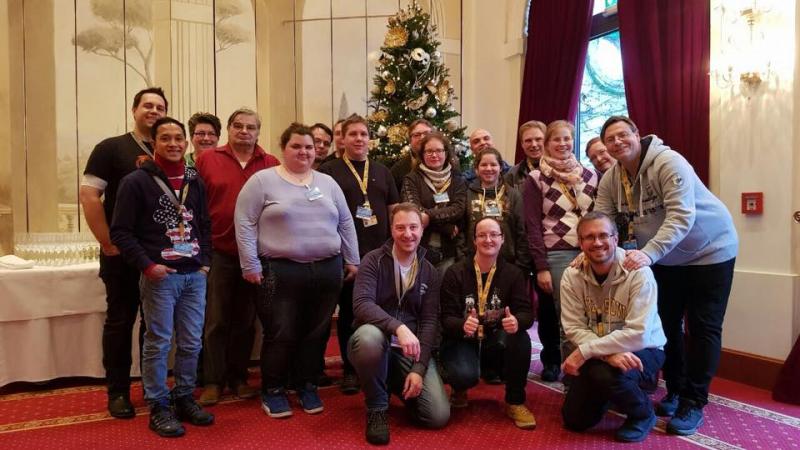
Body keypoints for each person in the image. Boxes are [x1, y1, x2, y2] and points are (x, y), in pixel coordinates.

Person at [596, 115, 738, 436]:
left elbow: (681, 215)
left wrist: (648, 254)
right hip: (666, 258)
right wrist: (595, 253)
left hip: (710, 251)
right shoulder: (611, 178)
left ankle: (693, 401)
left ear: (637, 134)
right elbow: (602, 220)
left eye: (623, 135)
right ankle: (674, 391)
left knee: (703, 327)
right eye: (610, 139)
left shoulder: (668, 162)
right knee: (666, 326)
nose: (617, 142)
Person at [235, 123, 359, 418]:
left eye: (309, 147)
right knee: (281, 332)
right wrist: (250, 263)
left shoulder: (327, 182)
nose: (304, 152)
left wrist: (352, 258)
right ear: (283, 148)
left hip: (327, 269)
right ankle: (274, 390)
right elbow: (244, 222)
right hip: (279, 270)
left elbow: (345, 222)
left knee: (316, 332)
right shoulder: (262, 181)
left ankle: (307, 385)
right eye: (296, 146)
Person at [110, 117, 214, 438]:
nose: (173, 144)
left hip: (194, 274)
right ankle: (158, 403)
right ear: (153, 143)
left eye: (178, 138)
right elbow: (121, 232)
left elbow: (204, 224)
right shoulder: (136, 182)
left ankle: (184, 396)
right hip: (160, 276)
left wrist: (205, 263)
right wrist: (147, 266)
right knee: (158, 342)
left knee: (192, 341)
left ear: (186, 143)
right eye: (165, 138)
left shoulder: (194, 181)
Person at [80, 86, 167, 418]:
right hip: (121, 254)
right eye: (148, 105)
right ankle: (117, 392)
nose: (153, 111)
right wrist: (107, 242)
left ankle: (152, 387)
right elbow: (89, 196)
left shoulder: (168, 150)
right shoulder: (111, 148)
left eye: (160, 107)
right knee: (120, 322)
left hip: (158, 255)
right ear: (134, 110)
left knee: (155, 325)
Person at [194, 108, 280, 405]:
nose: (244, 131)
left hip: (255, 255)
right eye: (238, 126)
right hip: (219, 252)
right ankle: (213, 381)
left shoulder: (271, 164)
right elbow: (194, 205)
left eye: (251, 127)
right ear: (229, 130)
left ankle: (239, 377)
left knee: (245, 321)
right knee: (216, 320)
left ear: (258, 132)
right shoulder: (208, 160)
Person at [348, 203, 450, 445]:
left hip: (409, 351)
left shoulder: (429, 271)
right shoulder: (373, 260)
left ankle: (388, 380)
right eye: (400, 227)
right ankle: (377, 407)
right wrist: (398, 327)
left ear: (422, 230)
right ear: (391, 230)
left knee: (437, 416)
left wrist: (418, 369)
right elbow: (361, 304)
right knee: (369, 338)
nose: (408, 234)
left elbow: (429, 321)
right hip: (374, 343)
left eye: (413, 227)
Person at [560, 211, 666, 443]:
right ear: (580, 243)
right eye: (589, 237)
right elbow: (574, 327)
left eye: (603, 235)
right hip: (600, 351)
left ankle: (643, 414)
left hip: (643, 349)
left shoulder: (639, 273)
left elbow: (638, 334)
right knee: (574, 420)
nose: (597, 242)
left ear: (616, 238)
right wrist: (606, 354)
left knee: (604, 374)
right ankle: (610, 392)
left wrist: (586, 352)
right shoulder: (571, 275)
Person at [320, 114, 400, 395]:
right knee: (349, 313)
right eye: (352, 134)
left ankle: (382, 365)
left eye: (363, 134)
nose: (358, 139)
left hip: (380, 255)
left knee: (381, 309)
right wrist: (344, 255)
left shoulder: (383, 171)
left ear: (370, 139)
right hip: (346, 256)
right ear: (342, 139)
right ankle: (351, 370)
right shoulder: (329, 171)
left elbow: (393, 212)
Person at [439, 217, 535, 429]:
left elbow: (526, 313)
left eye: (494, 235)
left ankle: (515, 401)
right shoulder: (455, 273)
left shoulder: (513, 274)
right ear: (474, 240)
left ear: (502, 239)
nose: (488, 240)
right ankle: (459, 388)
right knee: (463, 375)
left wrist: (517, 321)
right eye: (482, 235)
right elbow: (445, 318)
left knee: (520, 338)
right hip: (463, 339)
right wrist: (462, 324)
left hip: (495, 339)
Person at [522, 120, 600, 383]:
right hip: (557, 254)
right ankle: (572, 379)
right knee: (567, 319)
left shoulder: (590, 175)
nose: (563, 144)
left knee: (591, 314)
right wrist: (541, 266)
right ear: (547, 144)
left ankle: (592, 370)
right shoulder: (536, 179)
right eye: (556, 139)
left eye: (567, 138)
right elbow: (532, 225)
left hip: (592, 252)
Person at [401, 131, 466, 272]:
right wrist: (446, 227)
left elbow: (458, 209)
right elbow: (414, 213)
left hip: (448, 253)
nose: (434, 155)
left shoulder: (457, 180)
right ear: (422, 154)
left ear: (446, 153)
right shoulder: (412, 179)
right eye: (429, 151)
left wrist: (428, 216)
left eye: (439, 150)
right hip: (418, 251)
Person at [464, 148, 531, 272]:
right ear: (476, 169)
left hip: (508, 264)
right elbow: (462, 231)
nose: (489, 168)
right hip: (473, 263)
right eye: (484, 165)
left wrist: (521, 265)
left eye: (493, 164)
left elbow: (522, 231)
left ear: (500, 167)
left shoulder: (513, 195)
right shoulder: (468, 194)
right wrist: (463, 259)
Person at [390, 118, 434, 192]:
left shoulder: (447, 164)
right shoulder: (398, 170)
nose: (422, 137)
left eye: (426, 133)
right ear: (410, 140)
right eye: (417, 135)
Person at [505, 120, 546, 189]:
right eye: (528, 140)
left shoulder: (558, 172)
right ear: (522, 144)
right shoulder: (512, 175)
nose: (534, 144)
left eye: (538, 139)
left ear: (546, 141)